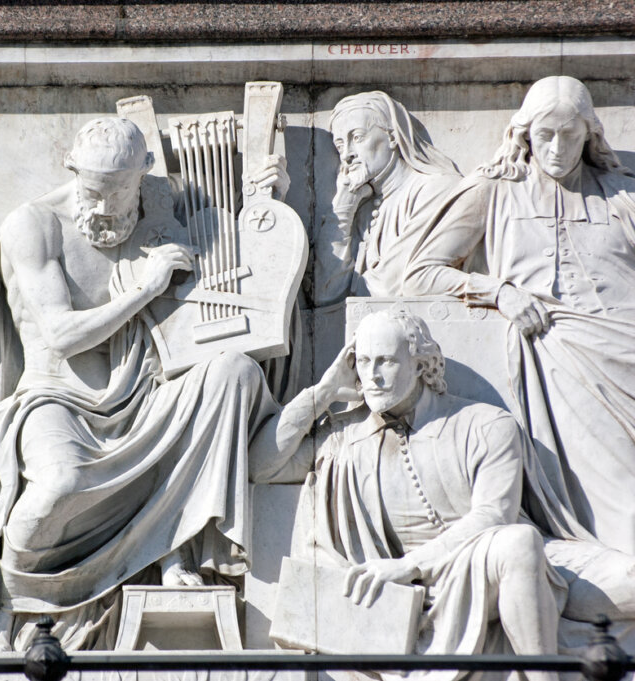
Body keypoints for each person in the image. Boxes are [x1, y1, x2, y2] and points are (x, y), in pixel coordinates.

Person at [0, 117, 289, 651]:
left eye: (120, 190)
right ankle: (9, 596)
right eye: (94, 190)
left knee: (235, 372)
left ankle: (171, 546)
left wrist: (267, 205)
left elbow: (232, 284)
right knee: (61, 483)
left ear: (144, 174)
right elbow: (61, 335)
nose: (107, 205)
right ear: (71, 170)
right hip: (55, 397)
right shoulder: (35, 224)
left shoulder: (160, 209)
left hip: (143, 396)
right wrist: (146, 288)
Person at [265, 309, 564, 679]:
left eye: (386, 361)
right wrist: (323, 392)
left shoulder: (485, 424)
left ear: (421, 364)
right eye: (363, 362)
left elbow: (494, 515)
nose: (372, 376)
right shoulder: (341, 438)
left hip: (471, 569)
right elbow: (263, 465)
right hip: (388, 596)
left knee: (534, 547)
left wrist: (409, 566)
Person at [403, 75, 635, 554]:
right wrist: (497, 291)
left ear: (590, 135)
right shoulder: (495, 189)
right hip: (559, 361)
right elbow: (421, 274)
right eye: (544, 135)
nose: (556, 148)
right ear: (524, 134)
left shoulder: (622, 195)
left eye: (569, 135)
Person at [316, 91, 461, 304]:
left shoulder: (437, 189)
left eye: (357, 138)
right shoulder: (362, 207)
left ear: (392, 137)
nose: (347, 154)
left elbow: (391, 285)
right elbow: (326, 294)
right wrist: (343, 207)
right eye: (339, 145)